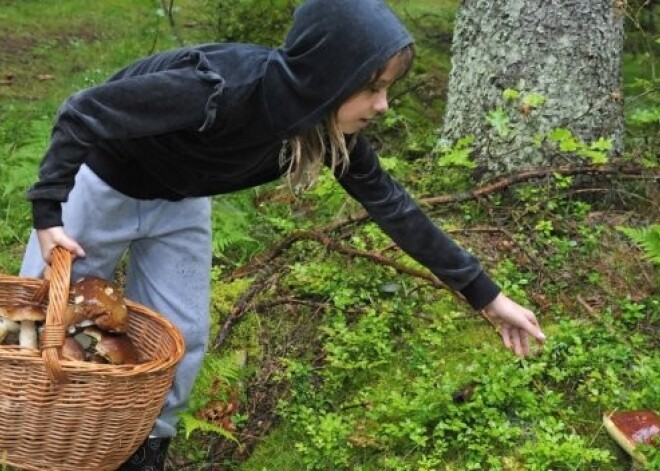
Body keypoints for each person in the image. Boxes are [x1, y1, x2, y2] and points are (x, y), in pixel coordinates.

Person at [20, 0, 547, 469]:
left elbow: (394, 207)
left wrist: (486, 296)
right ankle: (33, 440)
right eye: (372, 87)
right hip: (105, 180)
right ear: (328, 76)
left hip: (180, 201)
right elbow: (84, 110)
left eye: (386, 89)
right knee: (46, 319)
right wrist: (49, 215)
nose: (383, 105)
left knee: (184, 335)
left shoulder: (319, 127)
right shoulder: (219, 88)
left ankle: (144, 449)